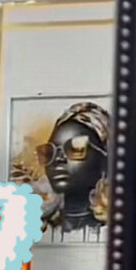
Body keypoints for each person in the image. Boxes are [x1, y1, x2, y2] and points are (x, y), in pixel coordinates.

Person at [36, 100, 111, 239]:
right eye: (49, 152)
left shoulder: (121, 228)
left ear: (105, 160)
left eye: (76, 148)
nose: (58, 159)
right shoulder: (35, 226)